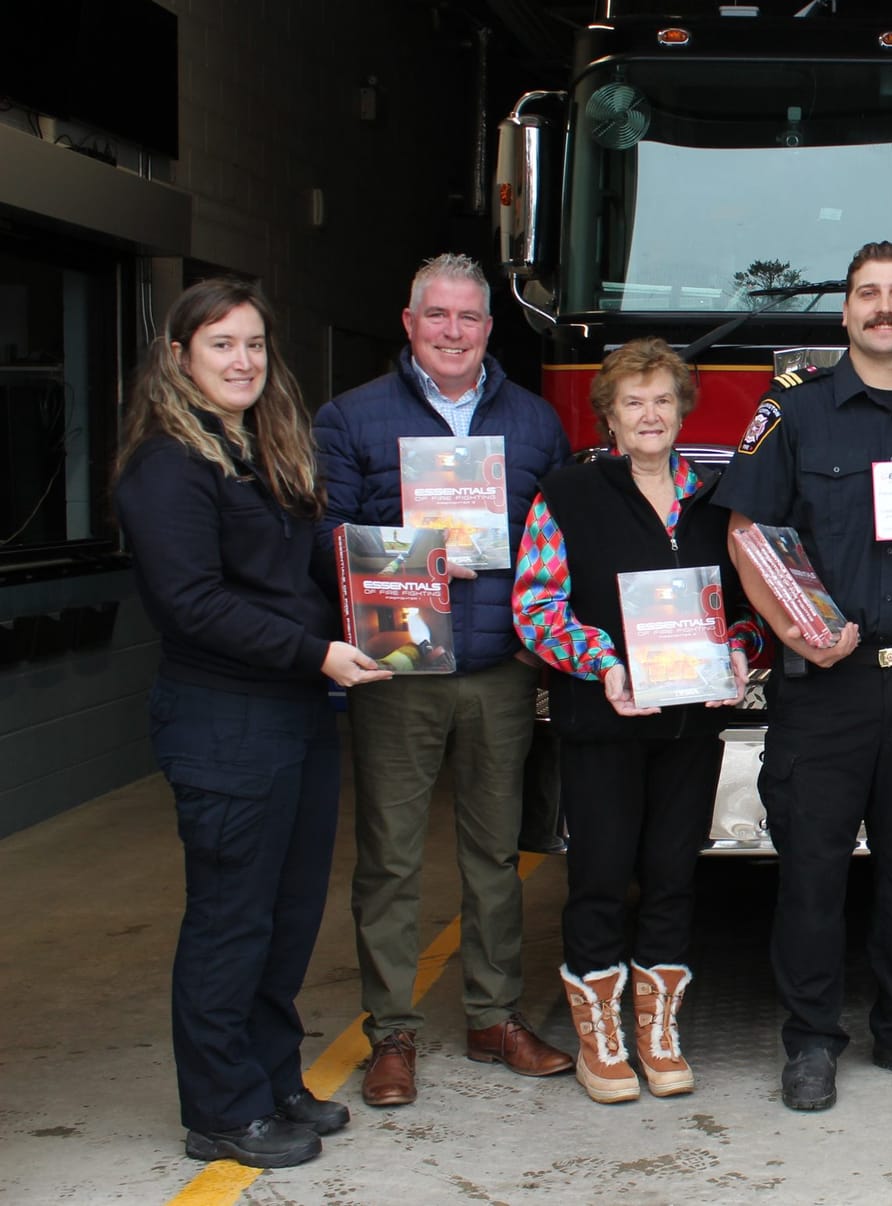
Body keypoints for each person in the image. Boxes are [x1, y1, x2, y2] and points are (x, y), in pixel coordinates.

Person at [113, 278, 392, 1168]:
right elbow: (191, 603)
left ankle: (273, 1080)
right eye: (222, 344)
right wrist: (317, 655)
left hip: (293, 716)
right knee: (231, 920)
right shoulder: (168, 465)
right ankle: (221, 1111)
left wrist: (404, 570)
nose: (243, 361)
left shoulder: (256, 448)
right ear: (179, 358)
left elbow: (310, 552)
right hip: (224, 722)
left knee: (285, 915)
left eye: (256, 345)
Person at [716, 241, 892, 1113]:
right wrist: (795, 623)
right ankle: (810, 1042)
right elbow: (744, 536)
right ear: (845, 313)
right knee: (812, 873)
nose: (885, 308)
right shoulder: (791, 412)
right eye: (869, 295)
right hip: (823, 685)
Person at [314, 253, 573, 1106]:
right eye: (438, 316)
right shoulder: (350, 418)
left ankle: (493, 1016)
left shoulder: (536, 423)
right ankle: (392, 1033)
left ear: (490, 329)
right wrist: (423, 558)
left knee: (496, 856)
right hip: (398, 665)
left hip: (500, 668)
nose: (454, 332)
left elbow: (561, 542)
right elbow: (323, 536)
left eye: (470, 318)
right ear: (409, 322)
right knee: (389, 858)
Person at [512, 339, 763, 1104]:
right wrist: (605, 664)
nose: (649, 415)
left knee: (672, 880)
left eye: (662, 400)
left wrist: (743, 655)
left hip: (690, 728)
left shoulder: (719, 501)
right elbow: (535, 606)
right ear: (609, 417)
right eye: (633, 402)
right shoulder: (564, 494)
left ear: (682, 409)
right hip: (603, 723)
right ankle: (601, 1041)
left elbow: (754, 607)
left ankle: (659, 1033)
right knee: (596, 881)